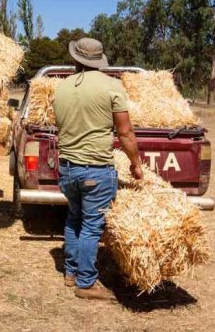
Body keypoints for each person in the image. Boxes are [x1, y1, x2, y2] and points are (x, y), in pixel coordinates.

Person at [52, 37, 144, 301]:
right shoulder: (112, 86)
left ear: (75, 59)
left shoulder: (62, 88)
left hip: (67, 167)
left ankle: (70, 272)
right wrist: (136, 164)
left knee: (73, 218)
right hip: (95, 168)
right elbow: (125, 132)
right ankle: (86, 283)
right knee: (92, 226)